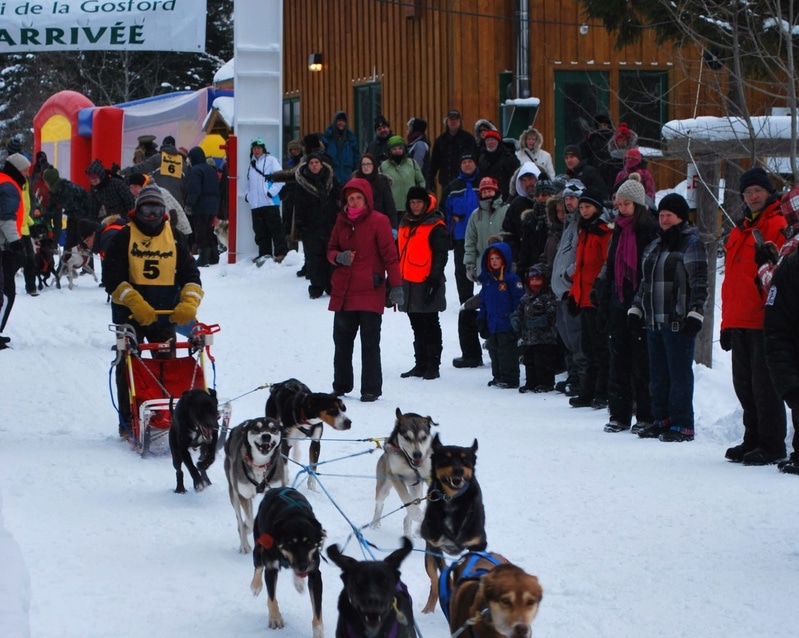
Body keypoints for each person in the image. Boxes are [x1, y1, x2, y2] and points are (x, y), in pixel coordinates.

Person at [102, 185, 203, 437]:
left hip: (164, 314)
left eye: (156, 210)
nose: (151, 216)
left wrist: (188, 304)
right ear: (137, 210)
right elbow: (112, 278)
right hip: (129, 316)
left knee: (165, 366)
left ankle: (165, 417)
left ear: (164, 212)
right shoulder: (123, 237)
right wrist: (135, 303)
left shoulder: (176, 237)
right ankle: (127, 422)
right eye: (146, 209)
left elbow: (191, 274)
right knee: (128, 368)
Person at [628, 193, 708, 443]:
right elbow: (645, 282)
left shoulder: (691, 243)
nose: (663, 220)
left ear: (680, 217)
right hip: (654, 321)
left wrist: (696, 312)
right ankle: (661, 420)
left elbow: (699, 282)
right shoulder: (655, 244)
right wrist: (636, 308)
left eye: (669, 215)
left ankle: (682, 424)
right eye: (661, 215)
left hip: (678, 321)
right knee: (658, 375)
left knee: (679, 375)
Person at [721, 167, 787, 465]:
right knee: (744, 386)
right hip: (739, 320)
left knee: (765, 387)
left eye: (757, 190)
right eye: (747, 193)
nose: (753, 197)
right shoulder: (739, 230)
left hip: (764, 319)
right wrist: (726, 323)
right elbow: (731, 282)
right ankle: (752, 438)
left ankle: (771, 443)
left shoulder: (777, 223)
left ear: (768, 191)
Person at [327, 177, 403, 402]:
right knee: (341, 343)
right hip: (344, 292)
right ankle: (341, 385)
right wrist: (338, 257)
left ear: (367, 199)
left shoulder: (379, 221)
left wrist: (396, 286)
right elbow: (330, 250)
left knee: (370, 344)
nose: (355, 201)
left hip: (370, 290)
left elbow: (391, 257)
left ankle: (370, 389)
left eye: (359, 197)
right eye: (351, 198)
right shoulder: (340, 222)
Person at [595, 179, 657, 433]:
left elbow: (648, 270)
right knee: (618, 361)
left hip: (642, 304)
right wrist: (604, 297)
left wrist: (638, 302)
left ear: (638, 204)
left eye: (627, 203)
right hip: (618, 301)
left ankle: (645, 414)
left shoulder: (649, 230)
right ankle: (619, 414)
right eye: (619, 203)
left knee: (642, 363)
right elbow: (611, 266)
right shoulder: (618, 230)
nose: (622, 208)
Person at [567, 187, 612, 409]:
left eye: (588, 207)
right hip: (583, 299)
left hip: (597, 298)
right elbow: (580, 267)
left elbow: (605, 265)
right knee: (588, 349)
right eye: (582, 207)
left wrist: (599, 292)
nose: (584, 210)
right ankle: (589, 391)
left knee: (600, 350)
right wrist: (573, 295)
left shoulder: (603, 231)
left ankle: (601, 393)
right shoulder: (584, 232)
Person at [396, 186, 448, 380]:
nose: (415, 205)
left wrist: (434, 280)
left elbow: (440, 255)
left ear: (425, 203)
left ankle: (433, 364)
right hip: (408, 282)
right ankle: (420, 363)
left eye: (418, 202)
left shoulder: (436, 224)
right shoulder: (404, 223)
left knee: (430, 324)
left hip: (427, 282)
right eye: (412, 202)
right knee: (416, 324)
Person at [442, 152, 482, 368]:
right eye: (464, 161)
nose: (467, 164)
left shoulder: (483, 183)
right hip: (460, 241)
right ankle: (470, 349)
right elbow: (444, 211)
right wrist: (451, 224)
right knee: (465, 297)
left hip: (484, 243)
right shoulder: (452, 187)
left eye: (470, 161)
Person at [551, 179, 587, 396]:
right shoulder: (568, 224)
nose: (570, 202)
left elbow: (583, 257)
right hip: (560, 291)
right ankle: (573, 376)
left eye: (574, 198)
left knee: (576, 337)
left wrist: (568, 275)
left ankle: (582, 379)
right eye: (567, 199)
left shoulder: (582, 225)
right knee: (566, 338)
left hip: (571, 290)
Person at [476, 242, 525, 388]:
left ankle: (510, 378)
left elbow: (519, 300)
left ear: (504, 259)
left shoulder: (512, 279)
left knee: (507, 352)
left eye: (497, 258)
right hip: (492, 323)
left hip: (507, 323)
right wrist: (481, 319)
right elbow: (483, 303)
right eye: (492, 259)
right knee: (494, 350)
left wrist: (517, 319)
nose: (495, 261)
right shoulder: (488, 281)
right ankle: (497, 375)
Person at [294, 153, 340, 298]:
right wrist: (300, 225)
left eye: (316, 162)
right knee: (314, 258)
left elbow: (339, 196)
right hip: (311, 226)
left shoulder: (330, 179)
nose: (314, 165)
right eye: (311, 163)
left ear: (321, 164)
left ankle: (331, 285)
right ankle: (317, 286)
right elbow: (297, 205)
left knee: (331, 256)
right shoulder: (302, 183)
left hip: (330, 224)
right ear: (308, 165)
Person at [511, 263, 559, 393]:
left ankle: (545, 383)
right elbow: (518, 312)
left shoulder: (547, 297)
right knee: (529, 361)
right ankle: (531, 382)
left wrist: (539, 321)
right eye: (532, 280)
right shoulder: (526, 298)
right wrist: (515, 319)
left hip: (545, 339)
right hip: (529, 338)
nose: (535, 283)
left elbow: (552, 315)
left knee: (543, 361)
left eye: (538, 279)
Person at [0, 153, 30, 342]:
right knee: (6, 291)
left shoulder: (3, 180)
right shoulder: (10, 186)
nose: (28, 174)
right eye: (26, 170)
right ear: (18, 170)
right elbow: (6, 218)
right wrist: (16, 242)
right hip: (3, 245)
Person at [245, 138, 286, 264]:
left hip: (270, 203)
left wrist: (271, 192)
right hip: (256, 204)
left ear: (263, 149)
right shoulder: (251, 165)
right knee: (260, 231)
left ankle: (281, 253)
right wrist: (248, 195)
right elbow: (249, 182)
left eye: (259, 148)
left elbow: (281, 178)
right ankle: (264, 253)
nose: (256, 151)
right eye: (254, 148)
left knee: (275, 229)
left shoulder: (272, 160)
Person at [464, 177, 509, 285]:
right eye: (484, 192)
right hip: (483, 266)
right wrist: (470, 264)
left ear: (496, 191)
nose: (487, 194)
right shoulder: (475, 215)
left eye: (490, 191)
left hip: (505, 265)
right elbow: (470, 241)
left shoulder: (507, 210)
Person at [122, 134, 187, 206]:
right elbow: (186, 184)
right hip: (177, 201)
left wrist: (124, 172)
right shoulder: (183, 162)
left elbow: (140, 168)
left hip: (160, 198)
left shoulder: (157, 158)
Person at [185, 146, 222, 267]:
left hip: (201, 206)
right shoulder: (211, 170)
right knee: (209, 231)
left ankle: (203, 258)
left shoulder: (195, 170)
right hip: (213, 205)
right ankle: (214, 256)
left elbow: (194, 189)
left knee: (200, 231)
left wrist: (189, 204)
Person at [127, 174, 191, 238]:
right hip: (171, 230)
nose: (133, 190)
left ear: (142, 185)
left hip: (177, 231)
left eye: (135, 186)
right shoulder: (143, 195)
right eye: (131, 188)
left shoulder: (155, 194)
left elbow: (167, 215)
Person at [501, 161, 541, 262]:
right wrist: (516, 257)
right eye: (524, 180)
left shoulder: (549, 200)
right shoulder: (517, 205)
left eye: (531, 179)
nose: (528, 184)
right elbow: (508, 234)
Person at [429, 109, 478, 191]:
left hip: (465, 181)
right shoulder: (440, 141)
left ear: (460, 121)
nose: (453, 121)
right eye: (451, 119)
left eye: (456, 119)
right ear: (447, 121)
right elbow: (434, 162)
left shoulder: (468, 139)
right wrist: (431, 179)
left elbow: (475, 159)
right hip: (446, 182)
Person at [380, 136, 426, 219]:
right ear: (390, 151)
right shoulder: (383, 166)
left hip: (410, 208)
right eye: (394, 149)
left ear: (404, 149)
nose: (397, 151)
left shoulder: (412, 163)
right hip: (391, 208)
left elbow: (421, 181)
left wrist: (419, 197)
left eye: (400, 148)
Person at [353, 153, 398, 231]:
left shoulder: (382, 182)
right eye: (363, 164)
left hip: (379, 222)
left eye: (368, 164)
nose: (366, 167)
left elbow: (390, 206)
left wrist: (393, 227)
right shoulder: (356, 183)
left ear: (374, 165)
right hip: (361, 224)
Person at [578, 112, 620, 189]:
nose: (602, 127)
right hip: (596, 173)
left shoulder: (614, 139)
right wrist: (588, 139)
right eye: (600, 125)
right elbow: (581, 153)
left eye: (604, 125)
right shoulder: (593, 138)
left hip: (612, 172)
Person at [477, 129, 519, 200]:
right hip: (487, 197)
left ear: (498, 141)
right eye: (487, 140)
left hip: (505, 198)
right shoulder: (482, 158)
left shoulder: (509, 158)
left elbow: (516, 179)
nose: (490, 143)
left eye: (492, 140)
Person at [322, 111, 360, 184]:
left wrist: (356, 172)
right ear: (335, 122)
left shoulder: (351, 139)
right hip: (331, 178)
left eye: (343, 121)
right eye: (339, 121)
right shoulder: (327, 138)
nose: (341, 123)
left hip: (348, 177)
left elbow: (356, 157)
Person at [406, 117, 431, 188]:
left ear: (413, 129)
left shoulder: (420, 145)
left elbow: (417, 167)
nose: (406, 131)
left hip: (418, 184)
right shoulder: (413, 143)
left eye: (408, 128)